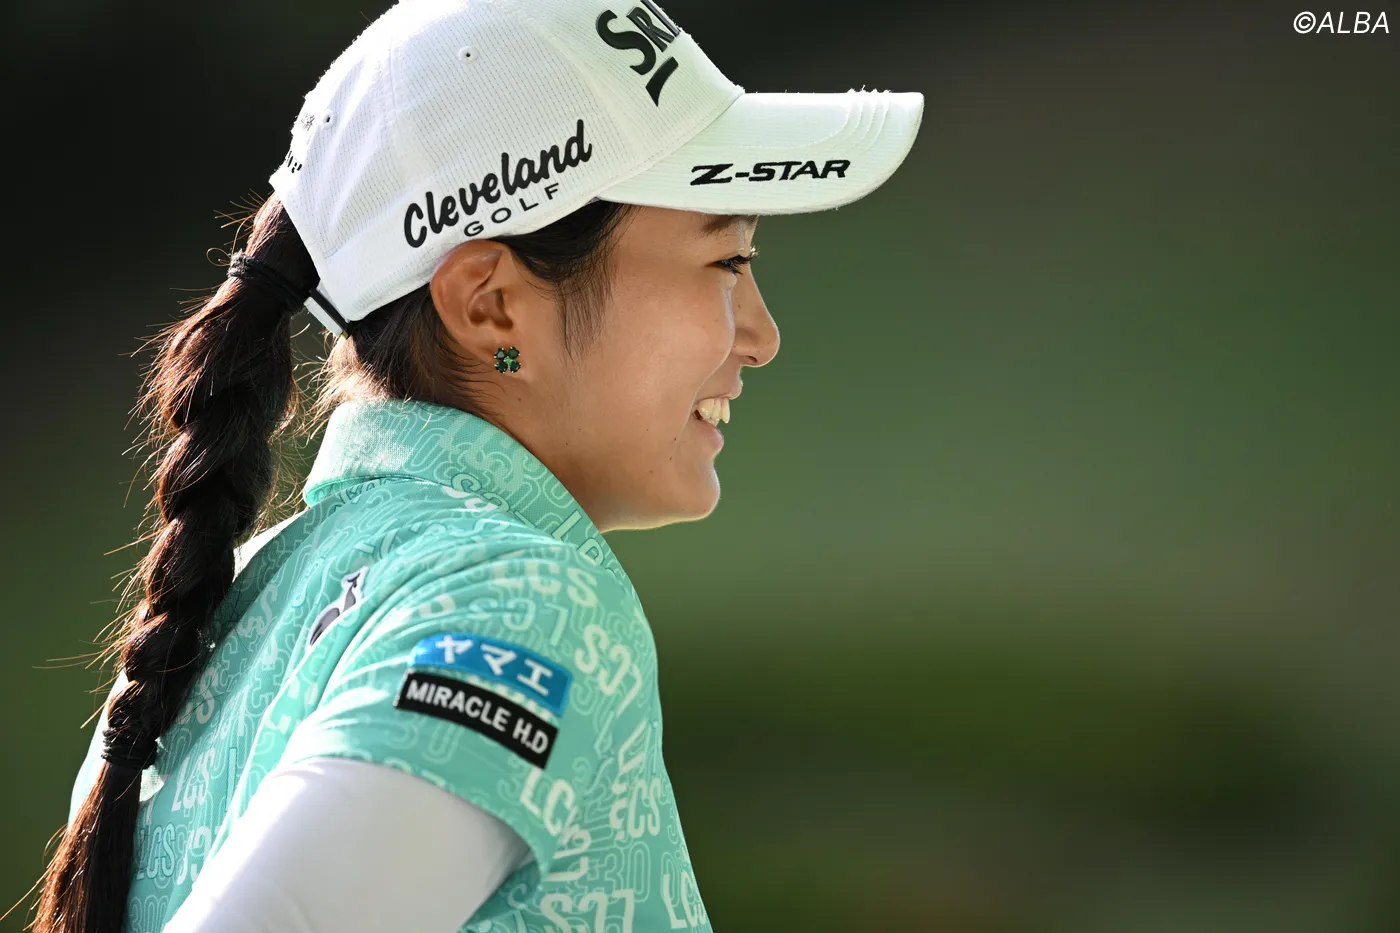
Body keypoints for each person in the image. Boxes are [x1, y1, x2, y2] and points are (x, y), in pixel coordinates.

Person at [34, 1, 923, 931]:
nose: (763, 336)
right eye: (727, 259)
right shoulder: (519, 598)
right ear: (492, 305)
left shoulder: (229, 604)